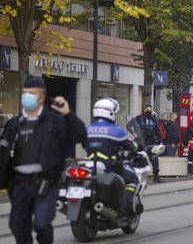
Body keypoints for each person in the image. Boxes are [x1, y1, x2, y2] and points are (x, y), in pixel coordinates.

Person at [0, 77, 87, 244]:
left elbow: (79, 136)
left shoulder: (55, 121)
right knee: (17, 226)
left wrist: (68, 114)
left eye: (31, 94)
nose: (26, 97)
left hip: (45, 184)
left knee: (41, 224)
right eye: (24, 93)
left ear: (41, 97)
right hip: (19, 184)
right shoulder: (14, 124)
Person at [85, 98, 140, 213]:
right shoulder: (116, 130)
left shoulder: (87, 128)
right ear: (111, 113)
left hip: (88, 164)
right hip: (109, 165)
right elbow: (129, 146)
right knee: (132, 178)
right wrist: (137, 146)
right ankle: (127, 206)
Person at [135, 105, 163, 182]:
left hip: (151, 141)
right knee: (140, 158)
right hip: (142, 142)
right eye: (147, 110)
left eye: (150, 110)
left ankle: (156, 176)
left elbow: (157, 131)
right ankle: (139, 177)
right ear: (144, 110)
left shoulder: (153, 120)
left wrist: (160, 140)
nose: (148, 112)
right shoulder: (139, 118)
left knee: (154, 159)